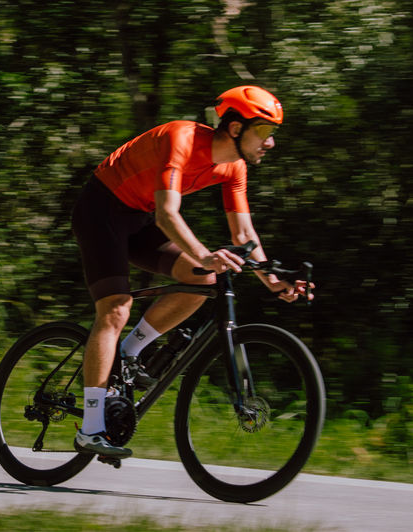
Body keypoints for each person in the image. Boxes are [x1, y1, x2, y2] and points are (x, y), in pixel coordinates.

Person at [70, 85, 312, 458]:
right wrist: (204, 252)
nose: (271, 143)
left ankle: (129, 352)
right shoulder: (180, 137)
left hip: (137, 218)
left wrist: (273, 281)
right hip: (101, 210)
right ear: (235, 129)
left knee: (203, 278)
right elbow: (168, 214)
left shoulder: (234, 167)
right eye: (264, 132)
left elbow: (244, 234)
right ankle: (90, 428)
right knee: (116, 308)